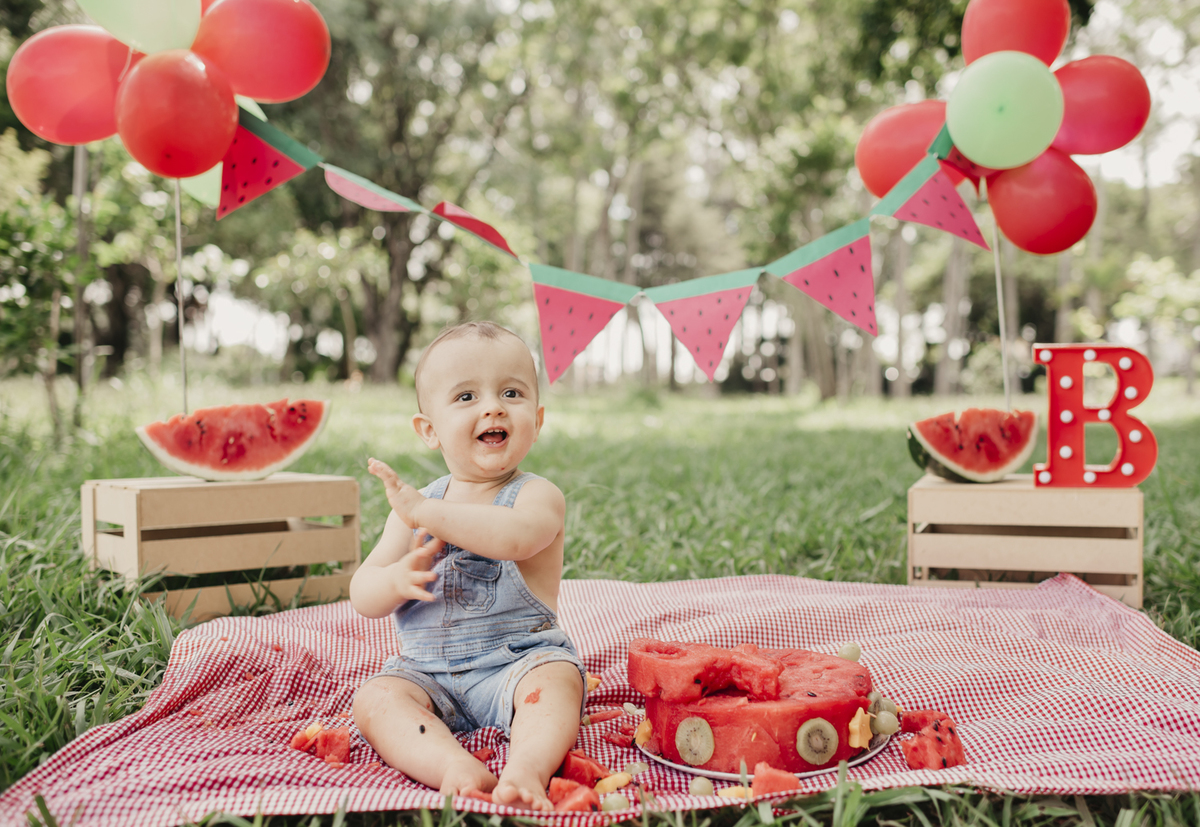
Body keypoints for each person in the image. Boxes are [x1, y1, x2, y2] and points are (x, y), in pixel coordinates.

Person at [350, 321, 585, 811]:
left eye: (511, 392)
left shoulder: (538, 496)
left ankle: (526, 768)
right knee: (374, 700)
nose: (493, 406)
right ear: (429, 430)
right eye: (465, 397)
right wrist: (395, 579)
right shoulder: (416, 507)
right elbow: (362, 593)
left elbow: (514, 538)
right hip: (426, 673)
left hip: (518, 663)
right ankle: (451, 766)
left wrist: (425, 514)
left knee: (559, 683)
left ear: (536, 419)